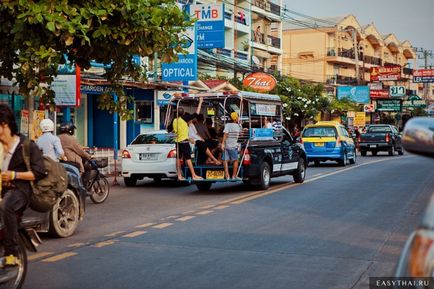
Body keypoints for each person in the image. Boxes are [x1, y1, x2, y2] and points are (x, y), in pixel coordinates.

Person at [0, 104, 46, 266]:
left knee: (7, 206)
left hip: (20, 190)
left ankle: (11, 252)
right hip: (2, 189)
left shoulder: (26, 146)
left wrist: (14, 175)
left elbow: (39, 172)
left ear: (4, 125)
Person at [172, 98, 204, 180]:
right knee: (188, 159)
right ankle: (194, 175)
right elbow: (196, 113)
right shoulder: (184, 119)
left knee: (178, 159)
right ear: (183, 114)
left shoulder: (174, 120)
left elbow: (176, 132)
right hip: (184, 142)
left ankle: (179, 175)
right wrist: (200, 101)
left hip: (178, 142)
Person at [222, 112, 242, 180]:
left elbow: (225, 134)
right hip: (233, 146)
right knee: (235, 160)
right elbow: (240, 135)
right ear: (236, 118)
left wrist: (222, 144)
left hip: (226, 145)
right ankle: (234, 176)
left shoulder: (227, 125)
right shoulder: (238, 126)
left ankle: (227, 175)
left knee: (225, 160)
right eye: (238, 117)